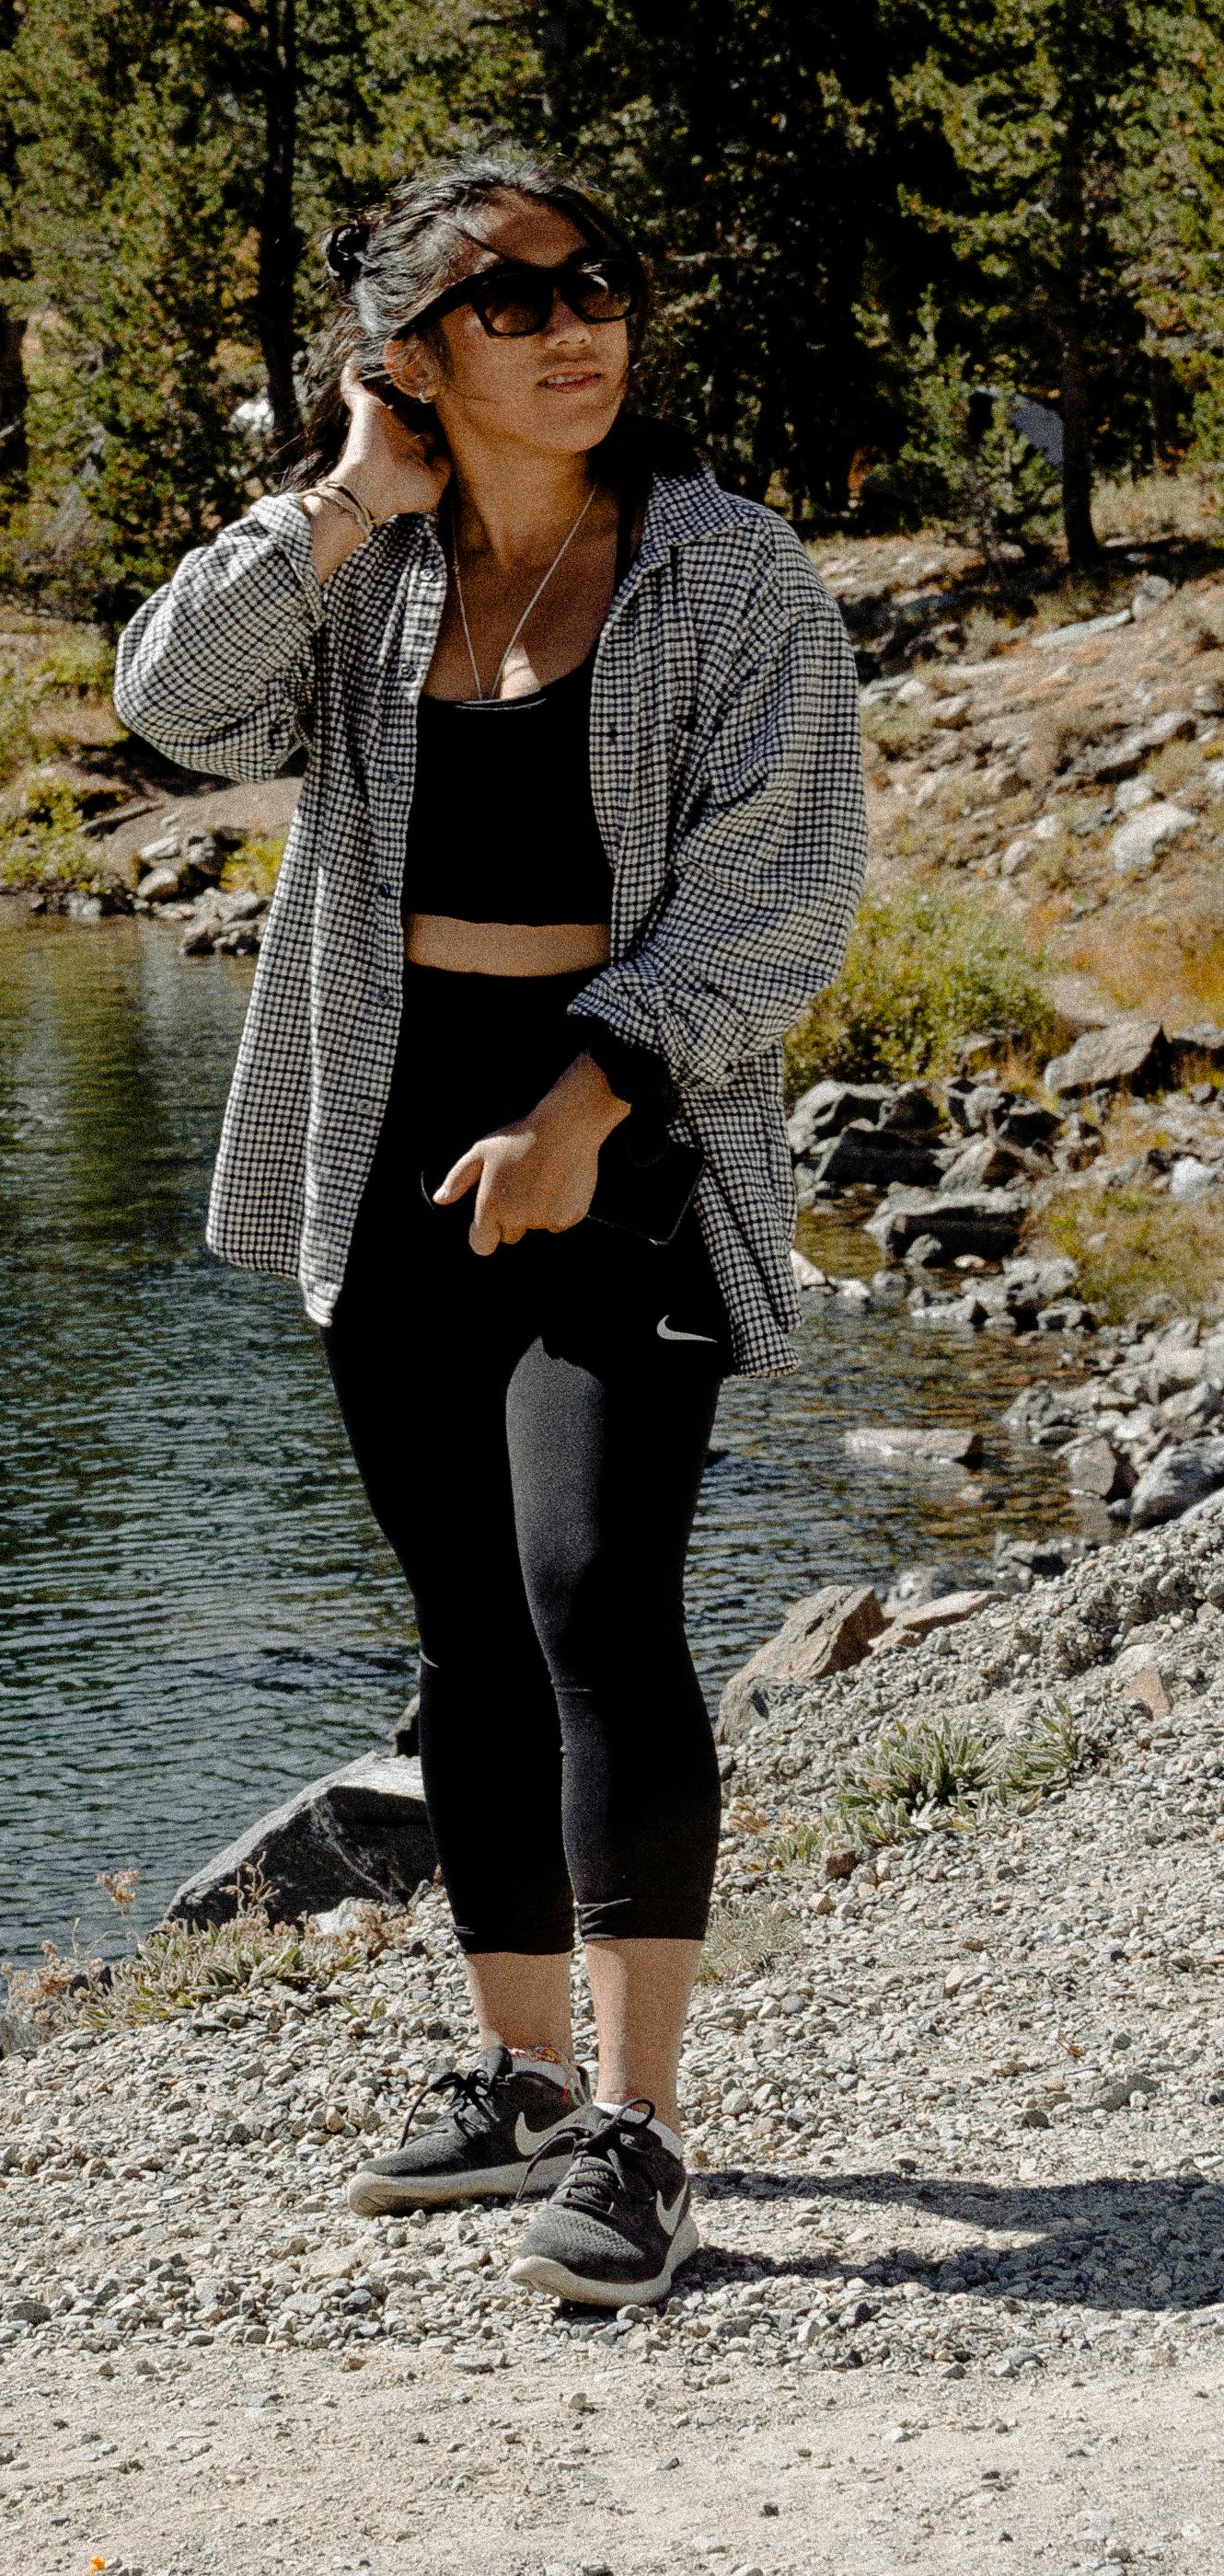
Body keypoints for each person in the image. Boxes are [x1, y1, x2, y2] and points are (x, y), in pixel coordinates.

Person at [113, 144, 863, 2310]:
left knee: (594, 1594)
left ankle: (637, 2133)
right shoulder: (370, 569)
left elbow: (783, 885)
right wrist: (350, 491)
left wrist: (582, 1102)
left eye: (598, 286)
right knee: (463, 1625)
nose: (575, 326)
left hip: (626, 1125)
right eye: (513, 303)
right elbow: (170, 706)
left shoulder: (728, 574)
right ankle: (520, 2078)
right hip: (387, 1128)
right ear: (413, 356)